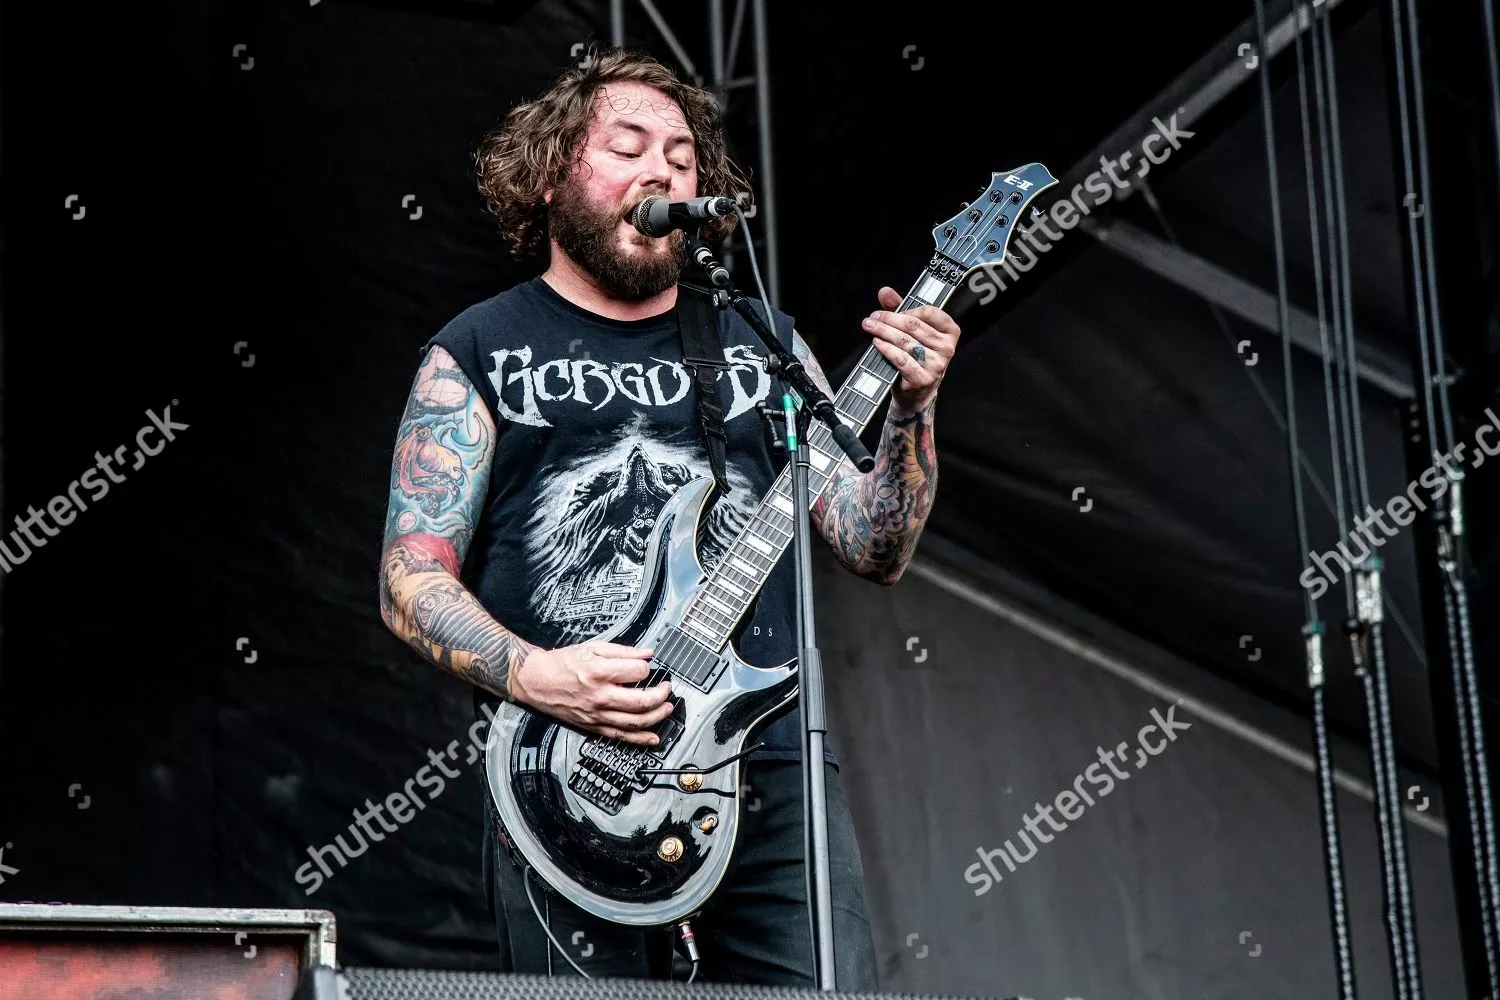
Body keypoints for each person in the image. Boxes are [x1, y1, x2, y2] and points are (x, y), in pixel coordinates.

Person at [377, 46, 959, 988]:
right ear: (552, 174)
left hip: (765, 764)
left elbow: (872, 545)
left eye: (683, 159)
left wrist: (913, 410)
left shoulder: (758, 343)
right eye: (630, 148)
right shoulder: (479, 349)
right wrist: (538, 674)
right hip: (568, 773)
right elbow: (410, 580)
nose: (663, 172)